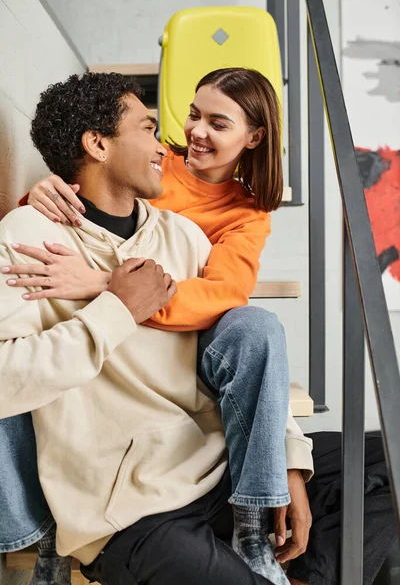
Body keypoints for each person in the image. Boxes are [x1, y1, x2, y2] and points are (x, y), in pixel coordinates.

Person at [11, 68, 397, 584]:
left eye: (217, 122)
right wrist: (116, 301)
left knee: (263, 333)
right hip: (129, 499)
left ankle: (290, 559)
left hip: (212, 460)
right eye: (162, 126)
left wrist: (287, 460)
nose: (177, 140)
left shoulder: (194, 234)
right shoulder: (34, 235)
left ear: (252, 138)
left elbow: (228, 309)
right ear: (98, 144)